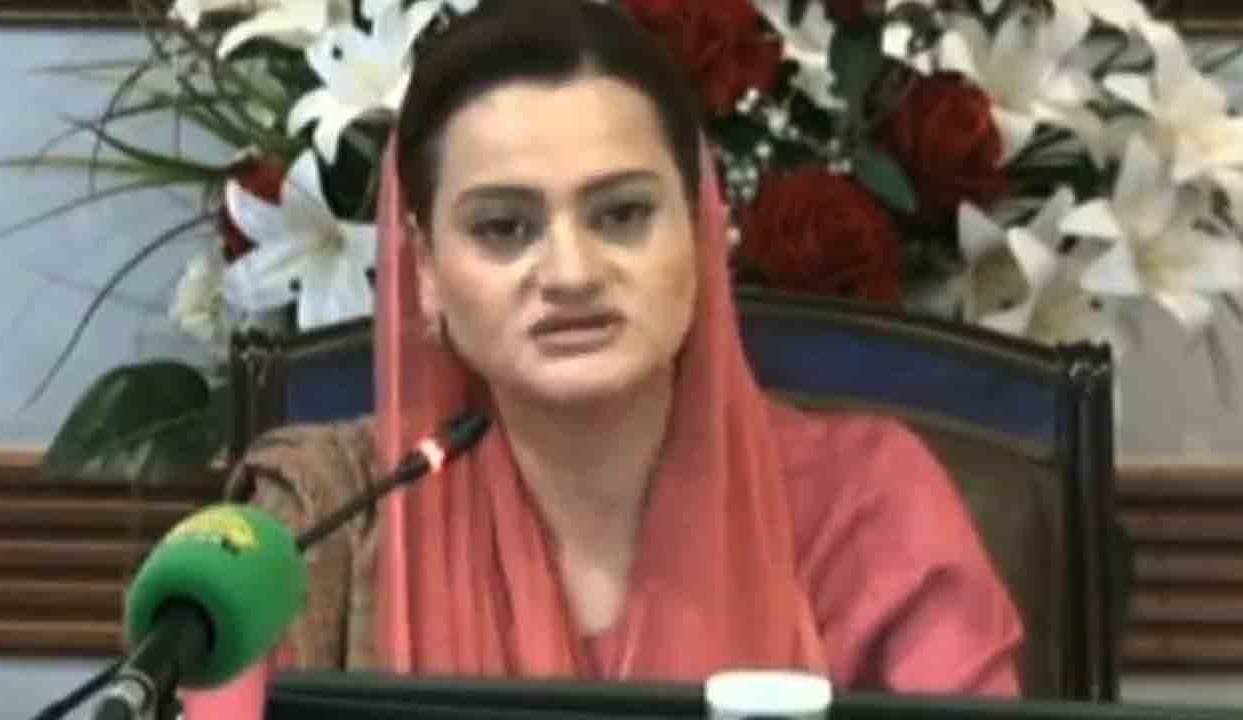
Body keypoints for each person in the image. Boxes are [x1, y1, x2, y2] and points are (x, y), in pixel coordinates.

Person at [184, 1, 1023, 716]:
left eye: (621, 215)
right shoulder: (323, 522)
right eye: (504, 227)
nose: (572, 274)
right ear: (426, 270)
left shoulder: (868, 508)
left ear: (702, 233)